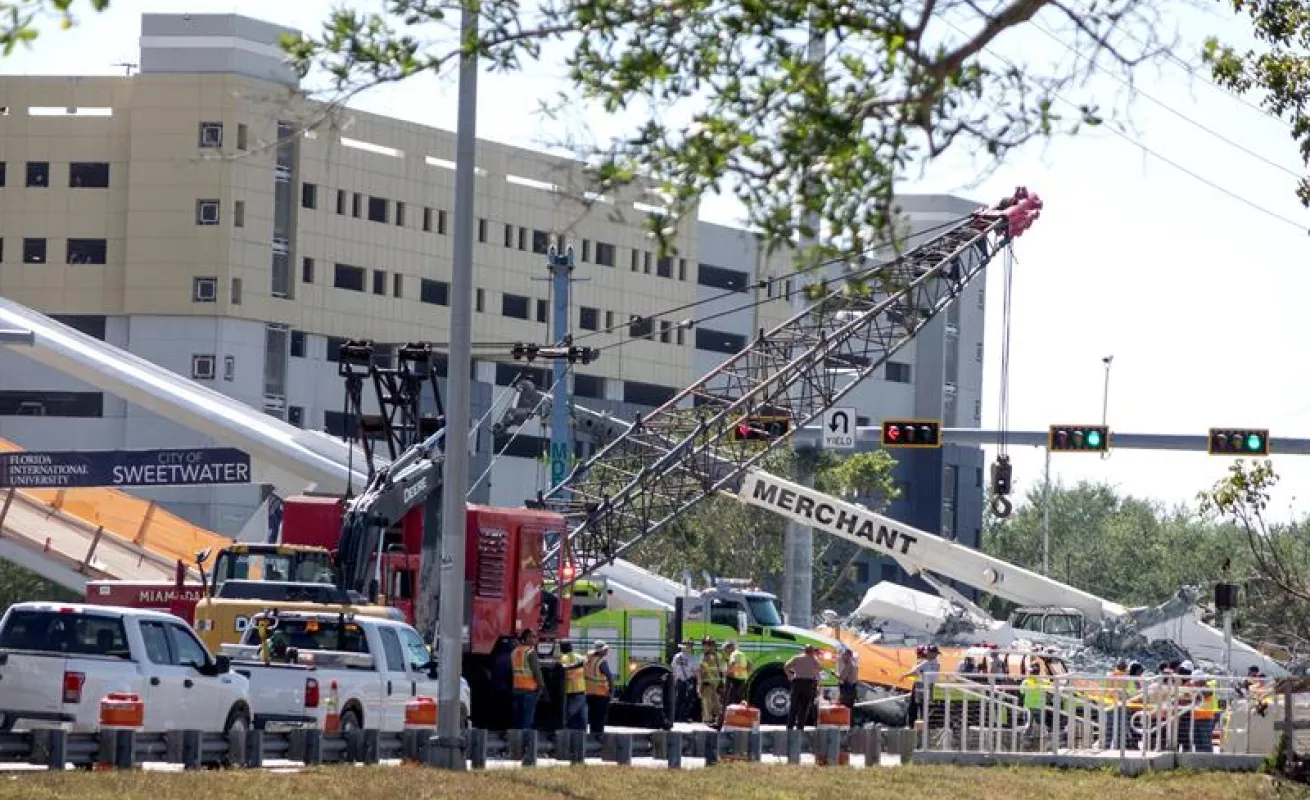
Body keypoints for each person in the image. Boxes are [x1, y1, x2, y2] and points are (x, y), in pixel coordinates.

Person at [510, 629, 545, 730]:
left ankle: (515, 740)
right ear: (527, 638)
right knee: (527, 720)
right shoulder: (530, 652)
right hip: (529, 690)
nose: (536, 639)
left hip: (516, 688)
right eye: (533, 637)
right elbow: (536, 671)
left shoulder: (515, 651)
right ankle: (525, 743)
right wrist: (541, 686)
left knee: (517, 719)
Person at [900, 644, 939, 729]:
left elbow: (915, 671)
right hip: (929, 686)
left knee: (915, 706)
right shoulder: (937, 663)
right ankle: (923, 725)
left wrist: (904, 675)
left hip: (920, 685)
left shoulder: (925, 663)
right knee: (924, 708)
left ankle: (913, 725)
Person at [784, 644, 822, 731]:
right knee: (804, 707)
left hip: (797, 683)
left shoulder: (797, 658)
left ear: (804, 650)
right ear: (812, 652)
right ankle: (800, 727)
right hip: (808, 684)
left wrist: (790, 675)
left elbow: (786, 666)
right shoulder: (814, 660)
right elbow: (819, 668)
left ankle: (790, 726)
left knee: (793, 706)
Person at [584, 640, 615, 735]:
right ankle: (598, 737)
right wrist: (611, 691)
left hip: (589, 693)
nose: (606, 651)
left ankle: (592, 736)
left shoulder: (588, 659)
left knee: (592, 718)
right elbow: (609, 677)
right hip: (601, 694)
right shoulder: (601, 662)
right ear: (600, 651)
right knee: (600, 718)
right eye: (605, 649)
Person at [559, 641, 587, 731]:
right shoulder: (579, 657)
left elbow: (563, 668)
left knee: (569, 713)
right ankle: (583, 733)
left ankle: (563, 729)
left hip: (571, 690)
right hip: (581, 689)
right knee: (581, 715)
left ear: (562, 648)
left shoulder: (564, 657)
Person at [698, 637, 724, 726]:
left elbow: (702, 670)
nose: (704, 647)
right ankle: (719, 718)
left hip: (707, 682)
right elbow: (721, 670)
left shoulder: (706, 657)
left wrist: (699, 684)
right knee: (716, 701)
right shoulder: (718, 656)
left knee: (706, 702)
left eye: (705, 645)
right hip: (716, 682)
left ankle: (707, 720)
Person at [670, 639, 698, 722]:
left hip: (683, 680)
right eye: (688, 645)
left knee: (681, 699)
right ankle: (681, 717)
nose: (689, 647)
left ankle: (677, 717)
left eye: (690, 645)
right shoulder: (691, 658)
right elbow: (695, 671)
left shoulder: (677, 656)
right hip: (685, 681)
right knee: (685, 700)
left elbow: (673, 668)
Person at [723, 641, 750, 708]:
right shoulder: (742, 654)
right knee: (740, 701)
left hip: (734, 681)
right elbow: (750, 666)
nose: (726, 653)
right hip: (743, 681)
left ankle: (731, 717)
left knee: (731, 702)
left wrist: (726, 672)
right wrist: (745, 673)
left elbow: (733, 663)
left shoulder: (734, 654)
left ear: (730, 648)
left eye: (726, 650)